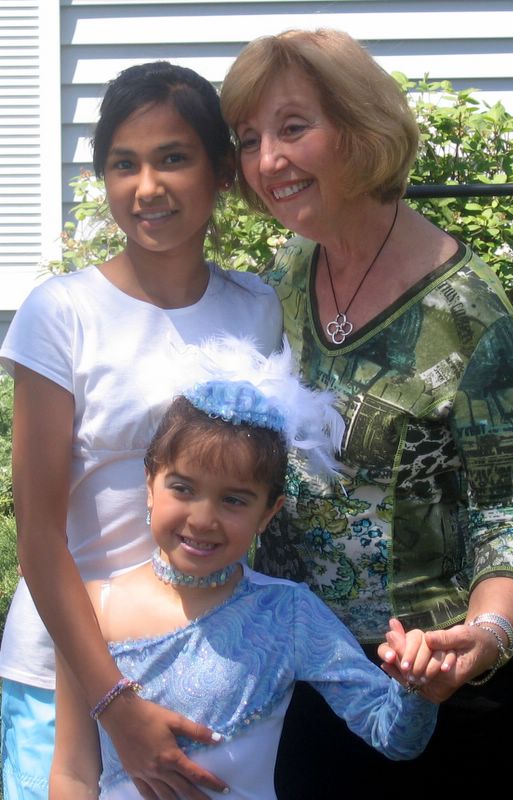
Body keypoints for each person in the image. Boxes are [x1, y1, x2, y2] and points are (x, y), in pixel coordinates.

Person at [220, 28, 513, 794]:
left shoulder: (465, 312)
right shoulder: (291, 269)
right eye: (249, 139)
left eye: (293, 128)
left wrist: (486, 634)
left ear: (359, 130)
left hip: (431, 684)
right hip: (302, 665)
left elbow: (512, 510)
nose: (267, 161)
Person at [0, 62, 283, 800]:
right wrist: (112, 702)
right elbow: (38, 535)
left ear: (221, 171)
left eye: (173, 158)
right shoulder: (61, 312)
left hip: (208, 665)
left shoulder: (257, 309)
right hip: (65, 675)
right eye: (123, 164)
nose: (146, 187)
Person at [49, 335, 439, 800]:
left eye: (233, 499)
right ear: (150, 484)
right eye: (183, 488)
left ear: (268, 513)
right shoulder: (92, 609)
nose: (203, 519)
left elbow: (394, 737)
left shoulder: (289, 613)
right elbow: (72, 772)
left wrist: (419, 685)